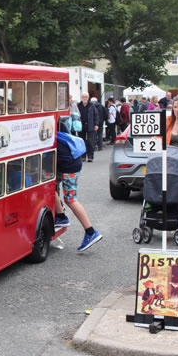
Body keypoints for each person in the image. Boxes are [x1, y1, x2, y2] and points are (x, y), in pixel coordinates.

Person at [54, 118, 103, 252]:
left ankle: (90, 232)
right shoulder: (60, 126)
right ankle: (61, 217)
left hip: (69, 166)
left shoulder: (51, 133)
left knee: (70, 199)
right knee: (50, 189)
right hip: (71, 162)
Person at [76, 92, 99, 162]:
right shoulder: (78, 105)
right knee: (82, 141)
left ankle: (90, 156)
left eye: (86, 97)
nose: (85, 98)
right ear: (81, 98)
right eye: (83, 97)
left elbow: (96, 115)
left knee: (90, 141)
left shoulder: (91, 105)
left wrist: (96, 124)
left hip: (90, 125)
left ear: (88, 98)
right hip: (81, 126)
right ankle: (83, 156)